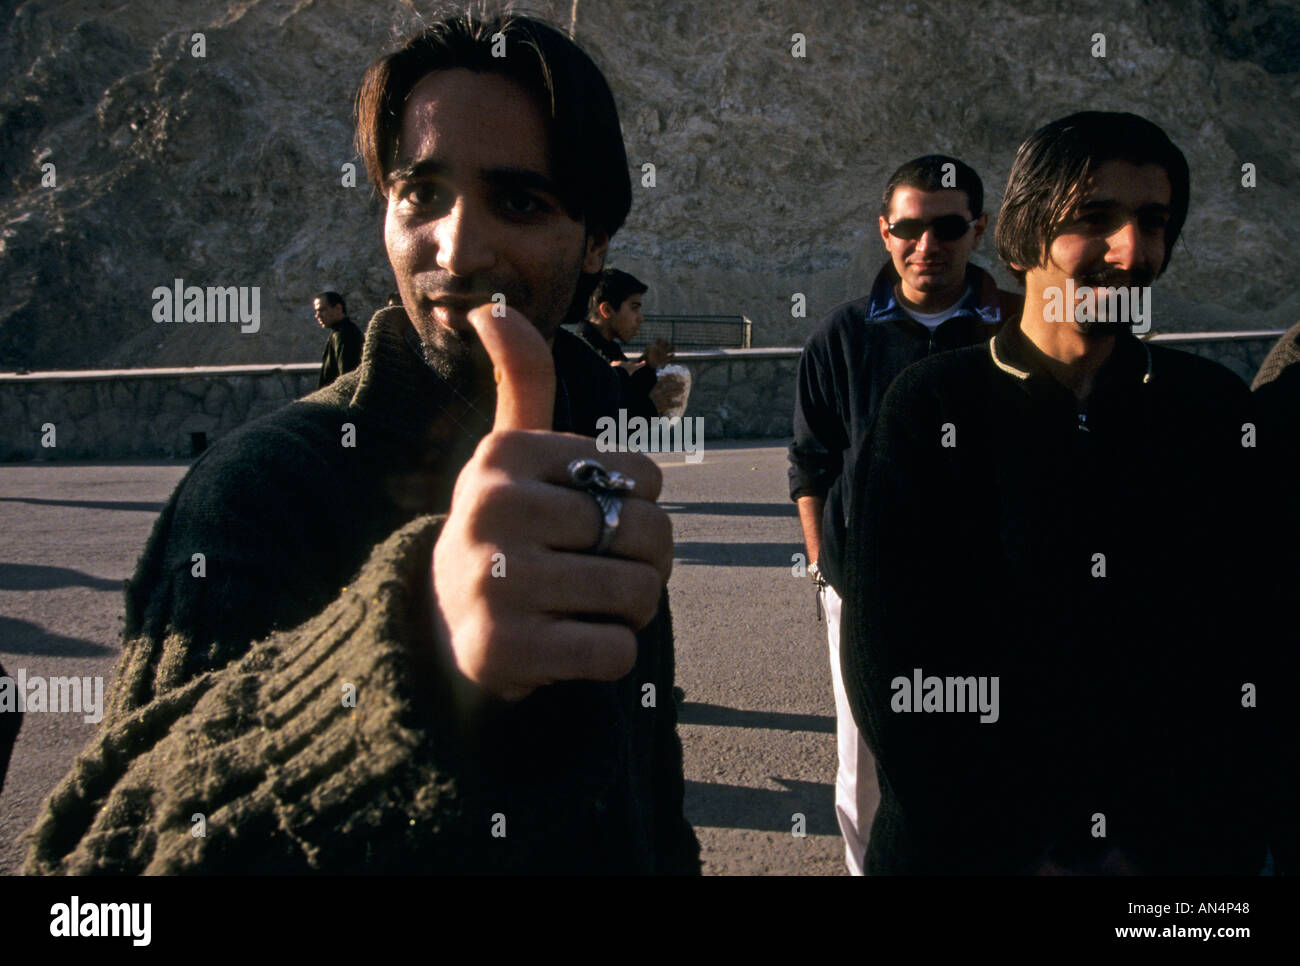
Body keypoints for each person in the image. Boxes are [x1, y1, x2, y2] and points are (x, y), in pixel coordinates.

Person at [26, 11, 699, 875]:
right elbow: (95, 879)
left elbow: (650, 814)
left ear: (596, 240)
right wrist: (418, 644)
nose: (456, 249)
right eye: (420, 193)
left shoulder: (589, 476)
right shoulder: (259, 491)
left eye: (519, 201)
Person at [842, 112, 1288, 875]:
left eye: (1153, 222)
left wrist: (1169, 843)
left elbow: (1250, 647)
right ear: (1026, 232)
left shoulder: (1209, 411)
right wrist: (1021, 850)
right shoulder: (932, 409)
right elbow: (896, 669)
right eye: (1095, 219)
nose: (1133, 252)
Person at [787, 154, 1021, 874]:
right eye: (910, 228)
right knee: (863, 762)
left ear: (977, 229)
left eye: (948, 226)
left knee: (1000, 743)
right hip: (868, 587)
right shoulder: (841, 335)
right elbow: (812, 458)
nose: (928, 245)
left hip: (998, 587)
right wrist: (828, 569)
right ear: (884, 232)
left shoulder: (1020, 327)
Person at [579, 268, 683, 418]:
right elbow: (600, 426)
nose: (640, 318)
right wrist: (651, 406)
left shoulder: (608, 347)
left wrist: (648, 364)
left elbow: (629, 394)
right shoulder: (582, 356)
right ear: (607, 310)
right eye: (634, 308)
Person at [314, 291, 364, 387]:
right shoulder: (339, 332)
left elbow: (347, 376)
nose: (318, 315)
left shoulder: (345, 334)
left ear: (338, 308)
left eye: (322, 310)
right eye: (317, 311)